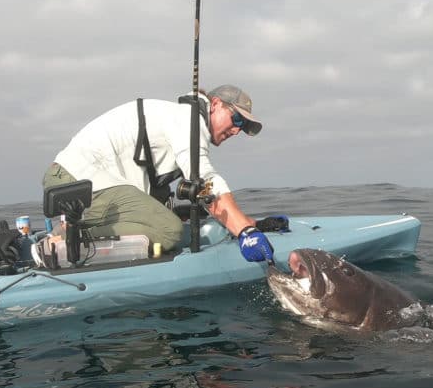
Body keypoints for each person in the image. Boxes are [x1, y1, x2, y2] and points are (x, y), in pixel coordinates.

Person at [42, 84, 275, 262]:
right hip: (76, 181)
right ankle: (61, 241)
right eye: (236, 119)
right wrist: (246, 232)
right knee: (169, 230)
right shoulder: (187, 120)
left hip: (79, 181)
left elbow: (194, 190)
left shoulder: (177, 120)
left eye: (242, 127)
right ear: (214, 105)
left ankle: (70, 230)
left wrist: (246, 222)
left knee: (168, 217)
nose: (236, 130)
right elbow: (205, 182)